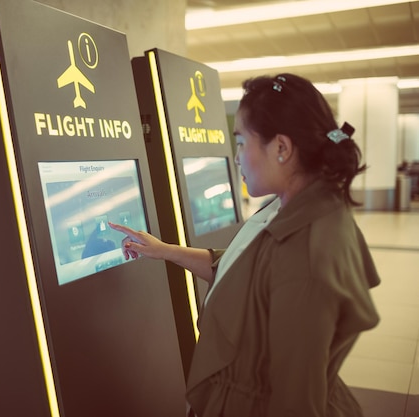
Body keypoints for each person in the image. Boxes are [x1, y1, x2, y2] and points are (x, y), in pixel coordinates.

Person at [109, 73, 380, 416]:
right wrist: (163, 250)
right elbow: (244, 271)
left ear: (281, 148)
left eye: (240, 142)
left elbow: (296, 401)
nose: (236, 158)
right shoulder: (289, 207)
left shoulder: (307, 254)